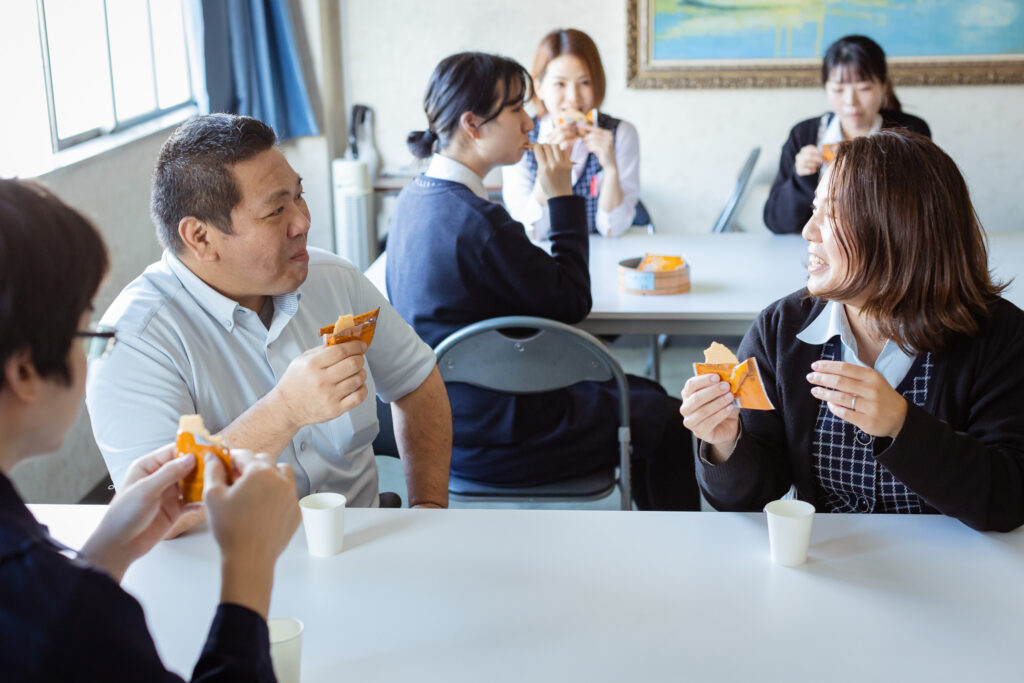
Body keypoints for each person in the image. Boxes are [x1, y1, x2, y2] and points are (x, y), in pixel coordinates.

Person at [86, 114, 452, 537]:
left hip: (361, 547)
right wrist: (284, 411)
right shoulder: (136, 340)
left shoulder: (334, 279)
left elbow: (416, 379)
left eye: (300, 196)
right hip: (229, 572)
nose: (303, 221)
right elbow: (156, 510)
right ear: (200, 238)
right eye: (276, 210)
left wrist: (428, 508)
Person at [0, 178, 301, 680]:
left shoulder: (47, 589)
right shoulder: (70, 614)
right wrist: (249, 567)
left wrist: (108, 550)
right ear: (26, 371)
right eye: (87, 334)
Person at [387, 52, 699, 510]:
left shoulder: (416, 198)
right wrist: (562, 196)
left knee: (644, 394)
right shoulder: (480, 221)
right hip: (504, 431)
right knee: (667, 416)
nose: (531, 122)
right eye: (517, 109)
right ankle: (676, 557)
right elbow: (574, 300)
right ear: (473, 125)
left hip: (449, 419)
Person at [682, 130, 1024, 532]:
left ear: (899, 229)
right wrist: (725, 444)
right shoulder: (780, 331)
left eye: (833, 215)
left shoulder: (999, 336)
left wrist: (901, 425)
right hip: (830, 570)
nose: (809, 231)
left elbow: (1008, 500)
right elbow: (750, 499)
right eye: (814, 210)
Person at [763, 35, 931, 234]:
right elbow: (776, 222)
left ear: (883, 86)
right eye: (838, 89)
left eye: (864, 88)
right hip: (817, 255)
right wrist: (801, 178)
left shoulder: (910, 131)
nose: (851, 101)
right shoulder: (805, 135)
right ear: (826, 88)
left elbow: (924, 212)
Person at [502, 28, 639, 239]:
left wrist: (610, 168)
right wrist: (547, 170)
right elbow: (531, 232)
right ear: (539, 87)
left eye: (585, 82)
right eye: (560, 84)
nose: (574, 98)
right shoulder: (522, 137)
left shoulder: (620, 134)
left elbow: (612, 230)